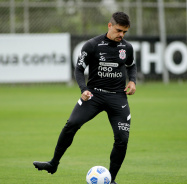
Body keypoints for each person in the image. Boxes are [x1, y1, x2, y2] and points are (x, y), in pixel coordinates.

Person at [33, 12, 137, 184]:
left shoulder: (127, 48)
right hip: (94, 95)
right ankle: (53, 163)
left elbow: (131, 65)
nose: (121, 35)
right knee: (71, 124)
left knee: (122, 139)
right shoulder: (92, 45)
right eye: (119, 30)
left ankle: (111, 180)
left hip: (117, 98)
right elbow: (79, 69)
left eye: (125, 32)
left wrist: (132, 81)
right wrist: (84, 89)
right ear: (109, 25)